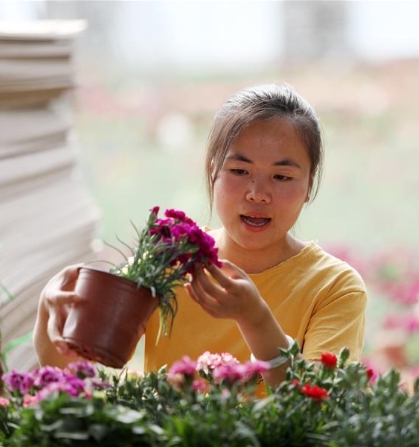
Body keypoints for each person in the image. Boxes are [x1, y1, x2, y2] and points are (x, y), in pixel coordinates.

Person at [34, 83, 368, 387]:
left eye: (281, 177)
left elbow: (319, 410)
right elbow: (69, 373)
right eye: (239, 171)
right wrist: (52, 308)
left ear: (309, 184)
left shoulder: (335, 288)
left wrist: (255, 320)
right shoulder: (170, 262)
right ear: (213, 171)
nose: (257, 193)